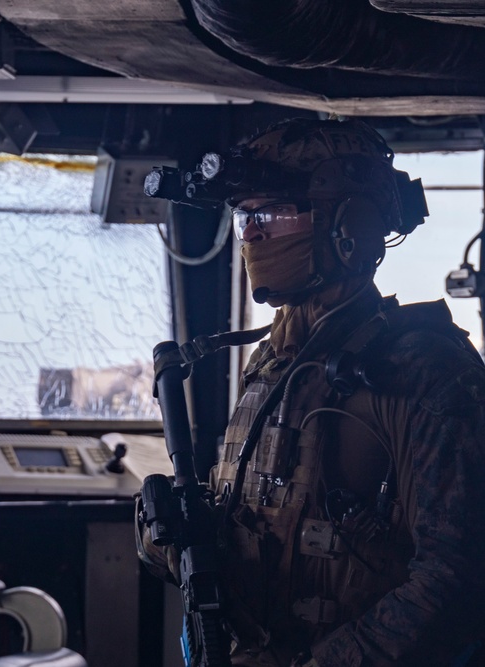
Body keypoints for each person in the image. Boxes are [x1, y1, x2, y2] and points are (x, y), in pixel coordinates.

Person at [141, 117, 485, 666]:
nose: (251, 234)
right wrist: (169, 534)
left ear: (352, 228)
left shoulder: (426, 369)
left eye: (272, 215)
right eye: (244, 216)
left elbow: (457, 581)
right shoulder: (274, 360)